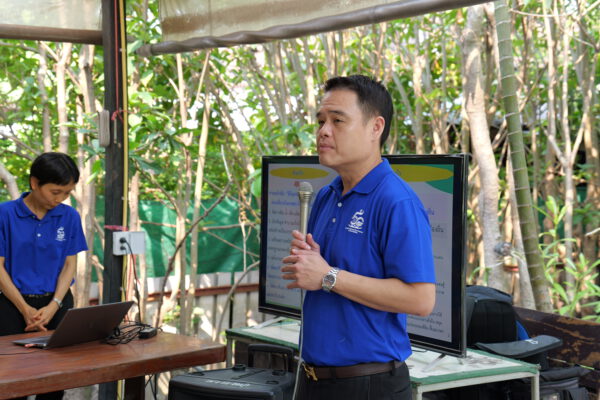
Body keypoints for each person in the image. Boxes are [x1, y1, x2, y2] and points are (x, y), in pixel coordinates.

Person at [281, 75, 436, 400]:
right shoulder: (326, 195)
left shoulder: (396, 201)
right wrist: (308, 266)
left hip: (368, 385)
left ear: (375, 127)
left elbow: (421, 300)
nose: (323, 131)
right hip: (313, 378)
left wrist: (328, 276)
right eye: (321, 121)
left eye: (338, 121)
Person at [0, 152, 88, 400]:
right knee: (12, 380)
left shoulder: (69, 216)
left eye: (67, 193)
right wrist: (25, 309)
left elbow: (69, 265)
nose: (60, 199)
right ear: (34, 183)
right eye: (55, 192)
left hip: (57, 304)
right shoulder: (4, 214)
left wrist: (54, 305)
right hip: (11, 306)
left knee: (53, 381)